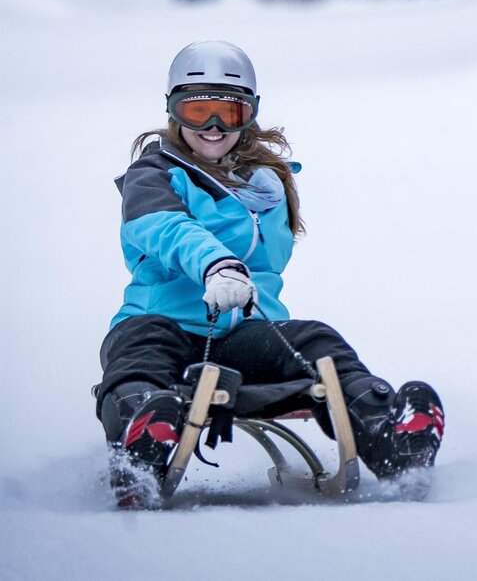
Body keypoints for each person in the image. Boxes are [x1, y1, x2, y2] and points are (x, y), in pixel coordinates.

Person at [95, 40, 445, 507]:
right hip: (161, 324)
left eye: (230, 113)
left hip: (243, 333)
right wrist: (215, 265)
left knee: (316, 341)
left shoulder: (265, 185)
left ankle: (388, 436)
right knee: (137, 355)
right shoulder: (152, 175)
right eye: (199, 112)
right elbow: (165, 227)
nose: (214, 127)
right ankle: (141, 447)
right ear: (174, 112)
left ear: (250, 115)